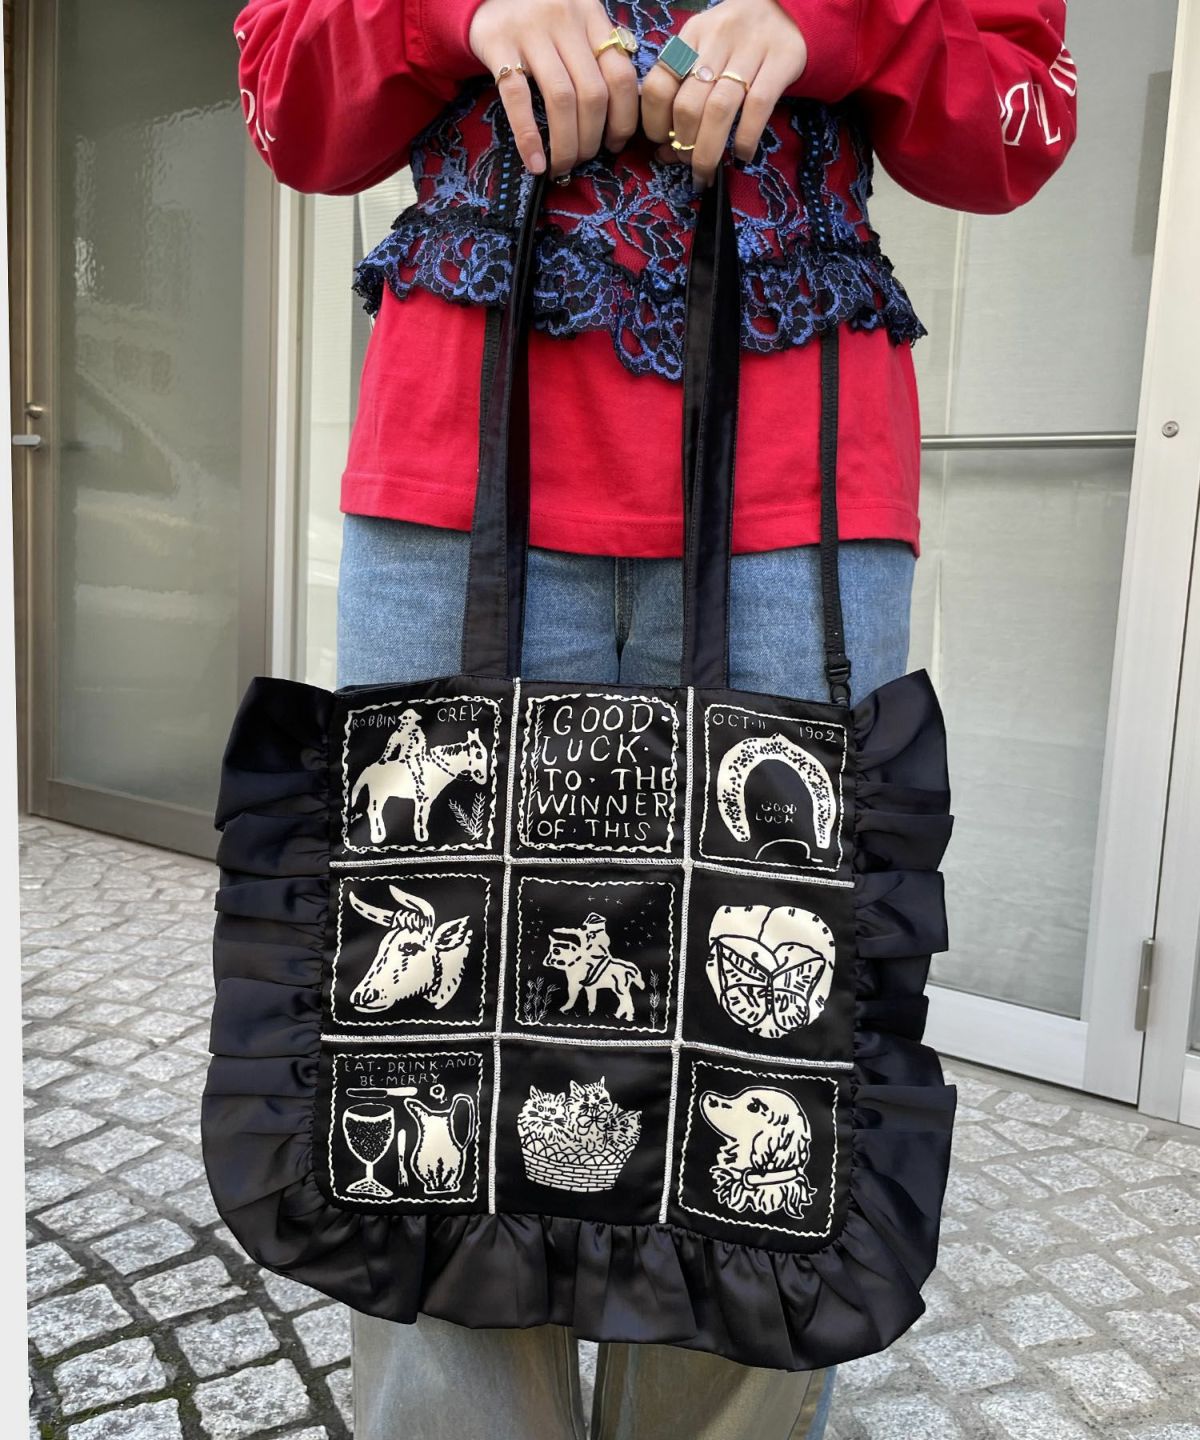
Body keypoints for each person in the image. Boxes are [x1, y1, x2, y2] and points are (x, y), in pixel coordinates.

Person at [233, 2, 1076, 1436]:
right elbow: (288, 98)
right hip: (463, 475)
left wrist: (837, 20)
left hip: (792, 490)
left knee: (774, 1073)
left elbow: (1016, 120)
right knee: (428, 1052)